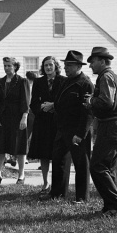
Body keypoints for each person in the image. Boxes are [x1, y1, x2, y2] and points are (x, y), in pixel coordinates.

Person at [85, 47, 117, 217]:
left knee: (97, 166)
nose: (90, 66)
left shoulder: (105, 77)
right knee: (108, 168)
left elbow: (106, 102)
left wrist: (90, 101)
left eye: (93, 61)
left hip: (111, 127)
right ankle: (111, 206)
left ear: (102, 61)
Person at [47, 51, 94, 203]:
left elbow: (88, 112)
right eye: (65, 65)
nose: (66, 68)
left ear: (79, 66)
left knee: (81, 164)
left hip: (77, 130)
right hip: (62, 128)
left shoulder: (85, 83)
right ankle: (57, 193)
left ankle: (82, 197)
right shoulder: (66, 81)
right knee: (59, 161)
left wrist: (81, 133)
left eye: (69, 65)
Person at [0, 57, 28, 184]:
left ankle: (21, 175)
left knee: (19, 147)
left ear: (15, 66)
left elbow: (25, 101)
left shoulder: (22, 81)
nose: (6, 68)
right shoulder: (0, 81)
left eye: (9, 65)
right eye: (5, 65)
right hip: (2, 118)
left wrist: (24, 117)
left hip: (17, 118)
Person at [28, 56, 65, 191]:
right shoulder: (38, 82)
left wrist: (53, 106)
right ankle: (45, 182)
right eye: (45, 66)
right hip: (42, 121)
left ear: (56, 66)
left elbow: (65, 100)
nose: (48, 68)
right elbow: (33, 103)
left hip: (57, 121)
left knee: (56, 153)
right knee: (43, 153)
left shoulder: (63, 81)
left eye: (50, 65)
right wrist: (42, 107)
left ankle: (57, 183)